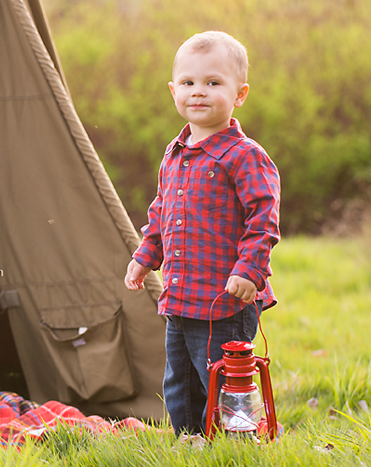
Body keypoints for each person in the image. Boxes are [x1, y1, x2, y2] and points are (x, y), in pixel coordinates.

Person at [124, 30, 280, 437]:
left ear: (239, 94)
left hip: (226, 299)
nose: (199, 92)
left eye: (213, 83)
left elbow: (263, 217)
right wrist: (145, 256)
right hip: (180, 297)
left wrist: (250, 270)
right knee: (181, 382)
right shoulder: (174, 153)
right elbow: (163, 212)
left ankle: (235, 446)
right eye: (189, 83)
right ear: (173, 90)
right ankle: (190, 440)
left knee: (227, 382)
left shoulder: (245, 155)